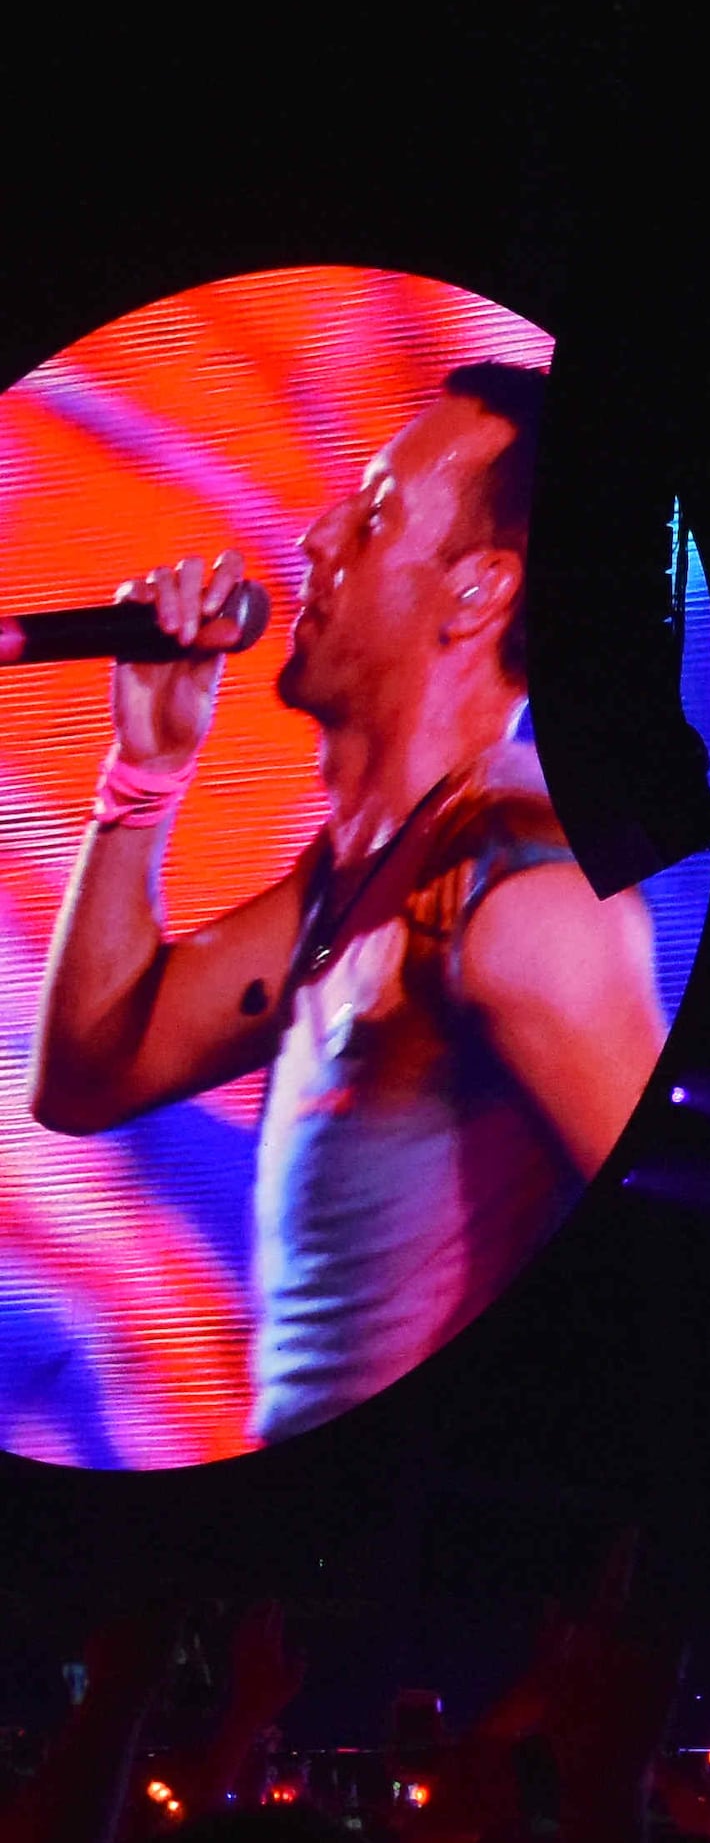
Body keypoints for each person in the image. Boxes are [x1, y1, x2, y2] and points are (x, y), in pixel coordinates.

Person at [27, 365, 670, 1441]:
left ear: (479, 591)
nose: (317, 537)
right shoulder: (360, 878)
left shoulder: (519, 898)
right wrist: (142, 775)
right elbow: (87, 1077)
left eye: (371, 517)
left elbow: (672, 1267)